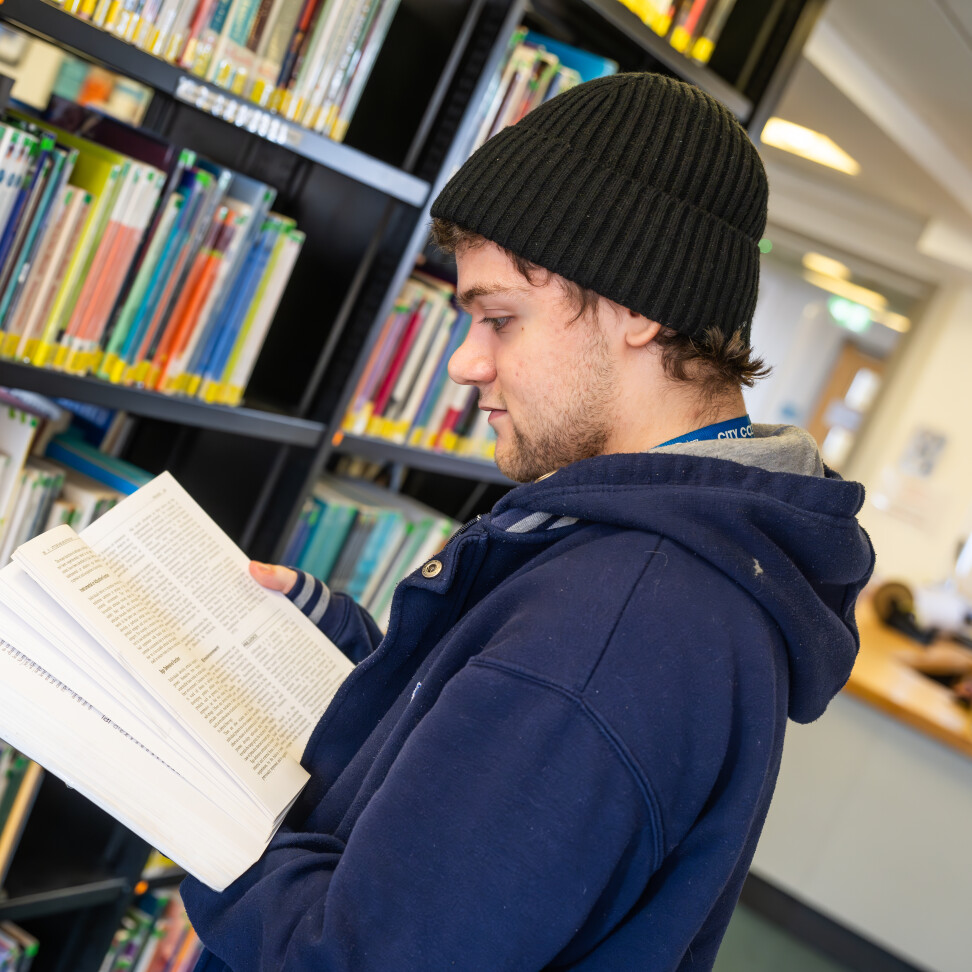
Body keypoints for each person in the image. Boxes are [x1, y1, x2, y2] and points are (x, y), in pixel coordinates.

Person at [182, 72, 874, 970]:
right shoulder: (664, 561)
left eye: (499, 318)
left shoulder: (625, 625)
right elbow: (485, 795)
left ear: (639, 309)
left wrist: (200, 803)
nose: (465, 363)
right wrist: (350, 653)